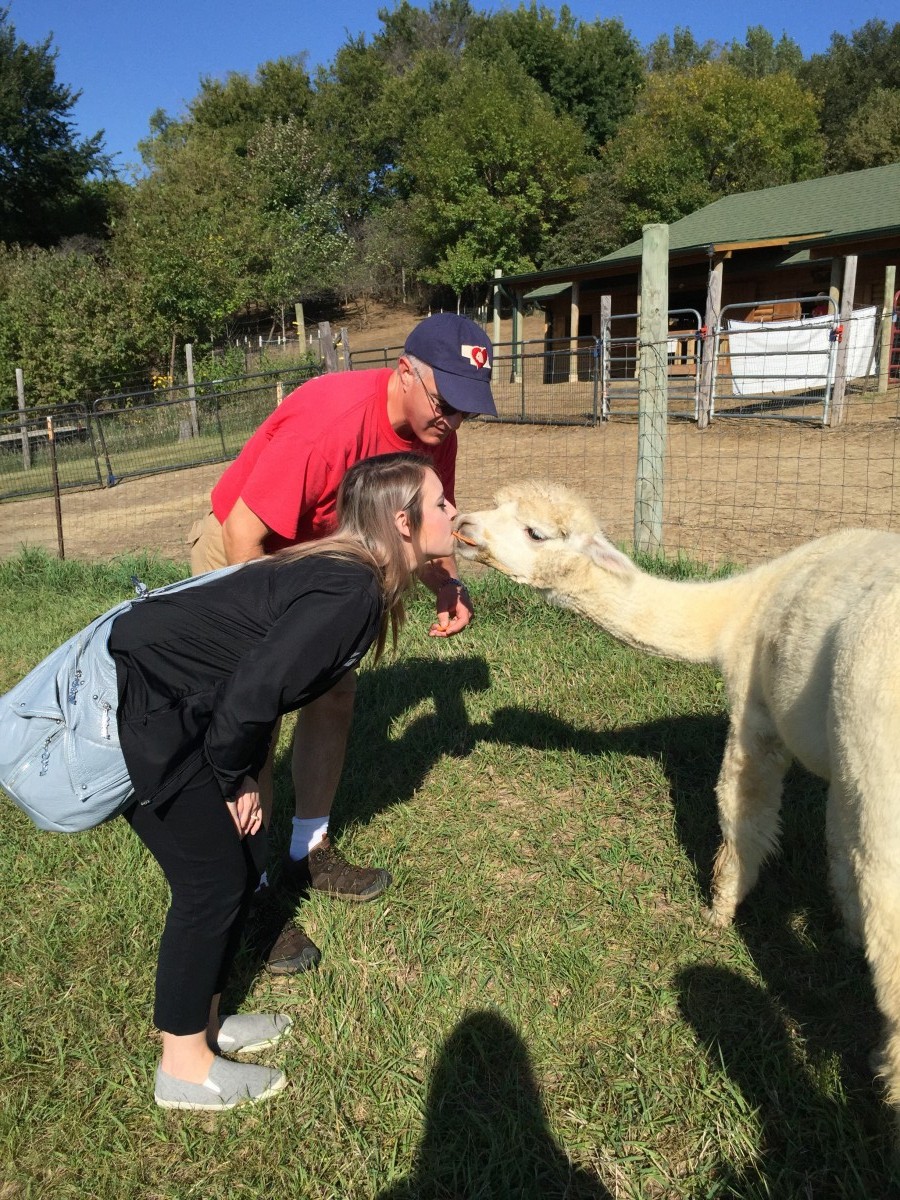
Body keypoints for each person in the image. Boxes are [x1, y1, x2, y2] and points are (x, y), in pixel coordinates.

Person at [104, 453, 459, 1109]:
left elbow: (258, 680)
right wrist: (237, 775)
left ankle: (203, 1029)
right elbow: (253, 692)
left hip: (177, 700)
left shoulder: (354, 578)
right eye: (441, 504)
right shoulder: (351, 590)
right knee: (211, 881)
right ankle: (182, 1070)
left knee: (234, 869)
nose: (453, 511)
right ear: (403, 524)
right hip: (142, 700)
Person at [188, 313, 496, 974]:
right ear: (406, 373)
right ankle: (250, 895)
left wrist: (447, 584)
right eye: (448, 406)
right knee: (254, 724)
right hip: (248, 553)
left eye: (469, 412)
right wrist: (267, 651)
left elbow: (426, 517)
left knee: (336, 694)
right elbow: (246, 533)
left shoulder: (432, 427)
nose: (454, 426)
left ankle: (309, 850)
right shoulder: (332, 418)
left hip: (329, 564)